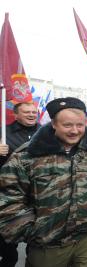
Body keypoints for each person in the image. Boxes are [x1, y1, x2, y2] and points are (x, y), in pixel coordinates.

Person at [0, 97, 87, 267]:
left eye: (80, 125)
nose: (75, 131)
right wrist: (33, 231)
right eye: (67, 125)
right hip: (47, 246)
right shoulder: (26, 156)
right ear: (54, 124)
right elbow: (8, 199)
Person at [0, 102, 40, 267]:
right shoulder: (3, 132)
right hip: (11, 193)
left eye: (33, 112)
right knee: (7, 238)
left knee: (39, 236)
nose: (32, 115)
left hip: (39, 192)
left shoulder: (48, 132)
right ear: (15, 115)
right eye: (27, 112)